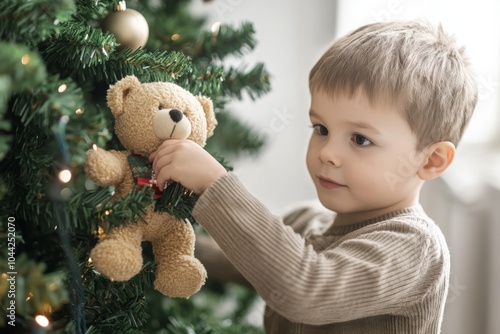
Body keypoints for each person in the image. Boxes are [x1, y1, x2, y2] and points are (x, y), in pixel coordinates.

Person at [149, 20, 478, 333]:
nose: (326, 153)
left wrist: (215, 184)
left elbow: (306, 289)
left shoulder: (414, 248)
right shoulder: (306, 221)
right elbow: (249, 262)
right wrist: (159, 241)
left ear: (432, 160)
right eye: (321, 129)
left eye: (360, 139)